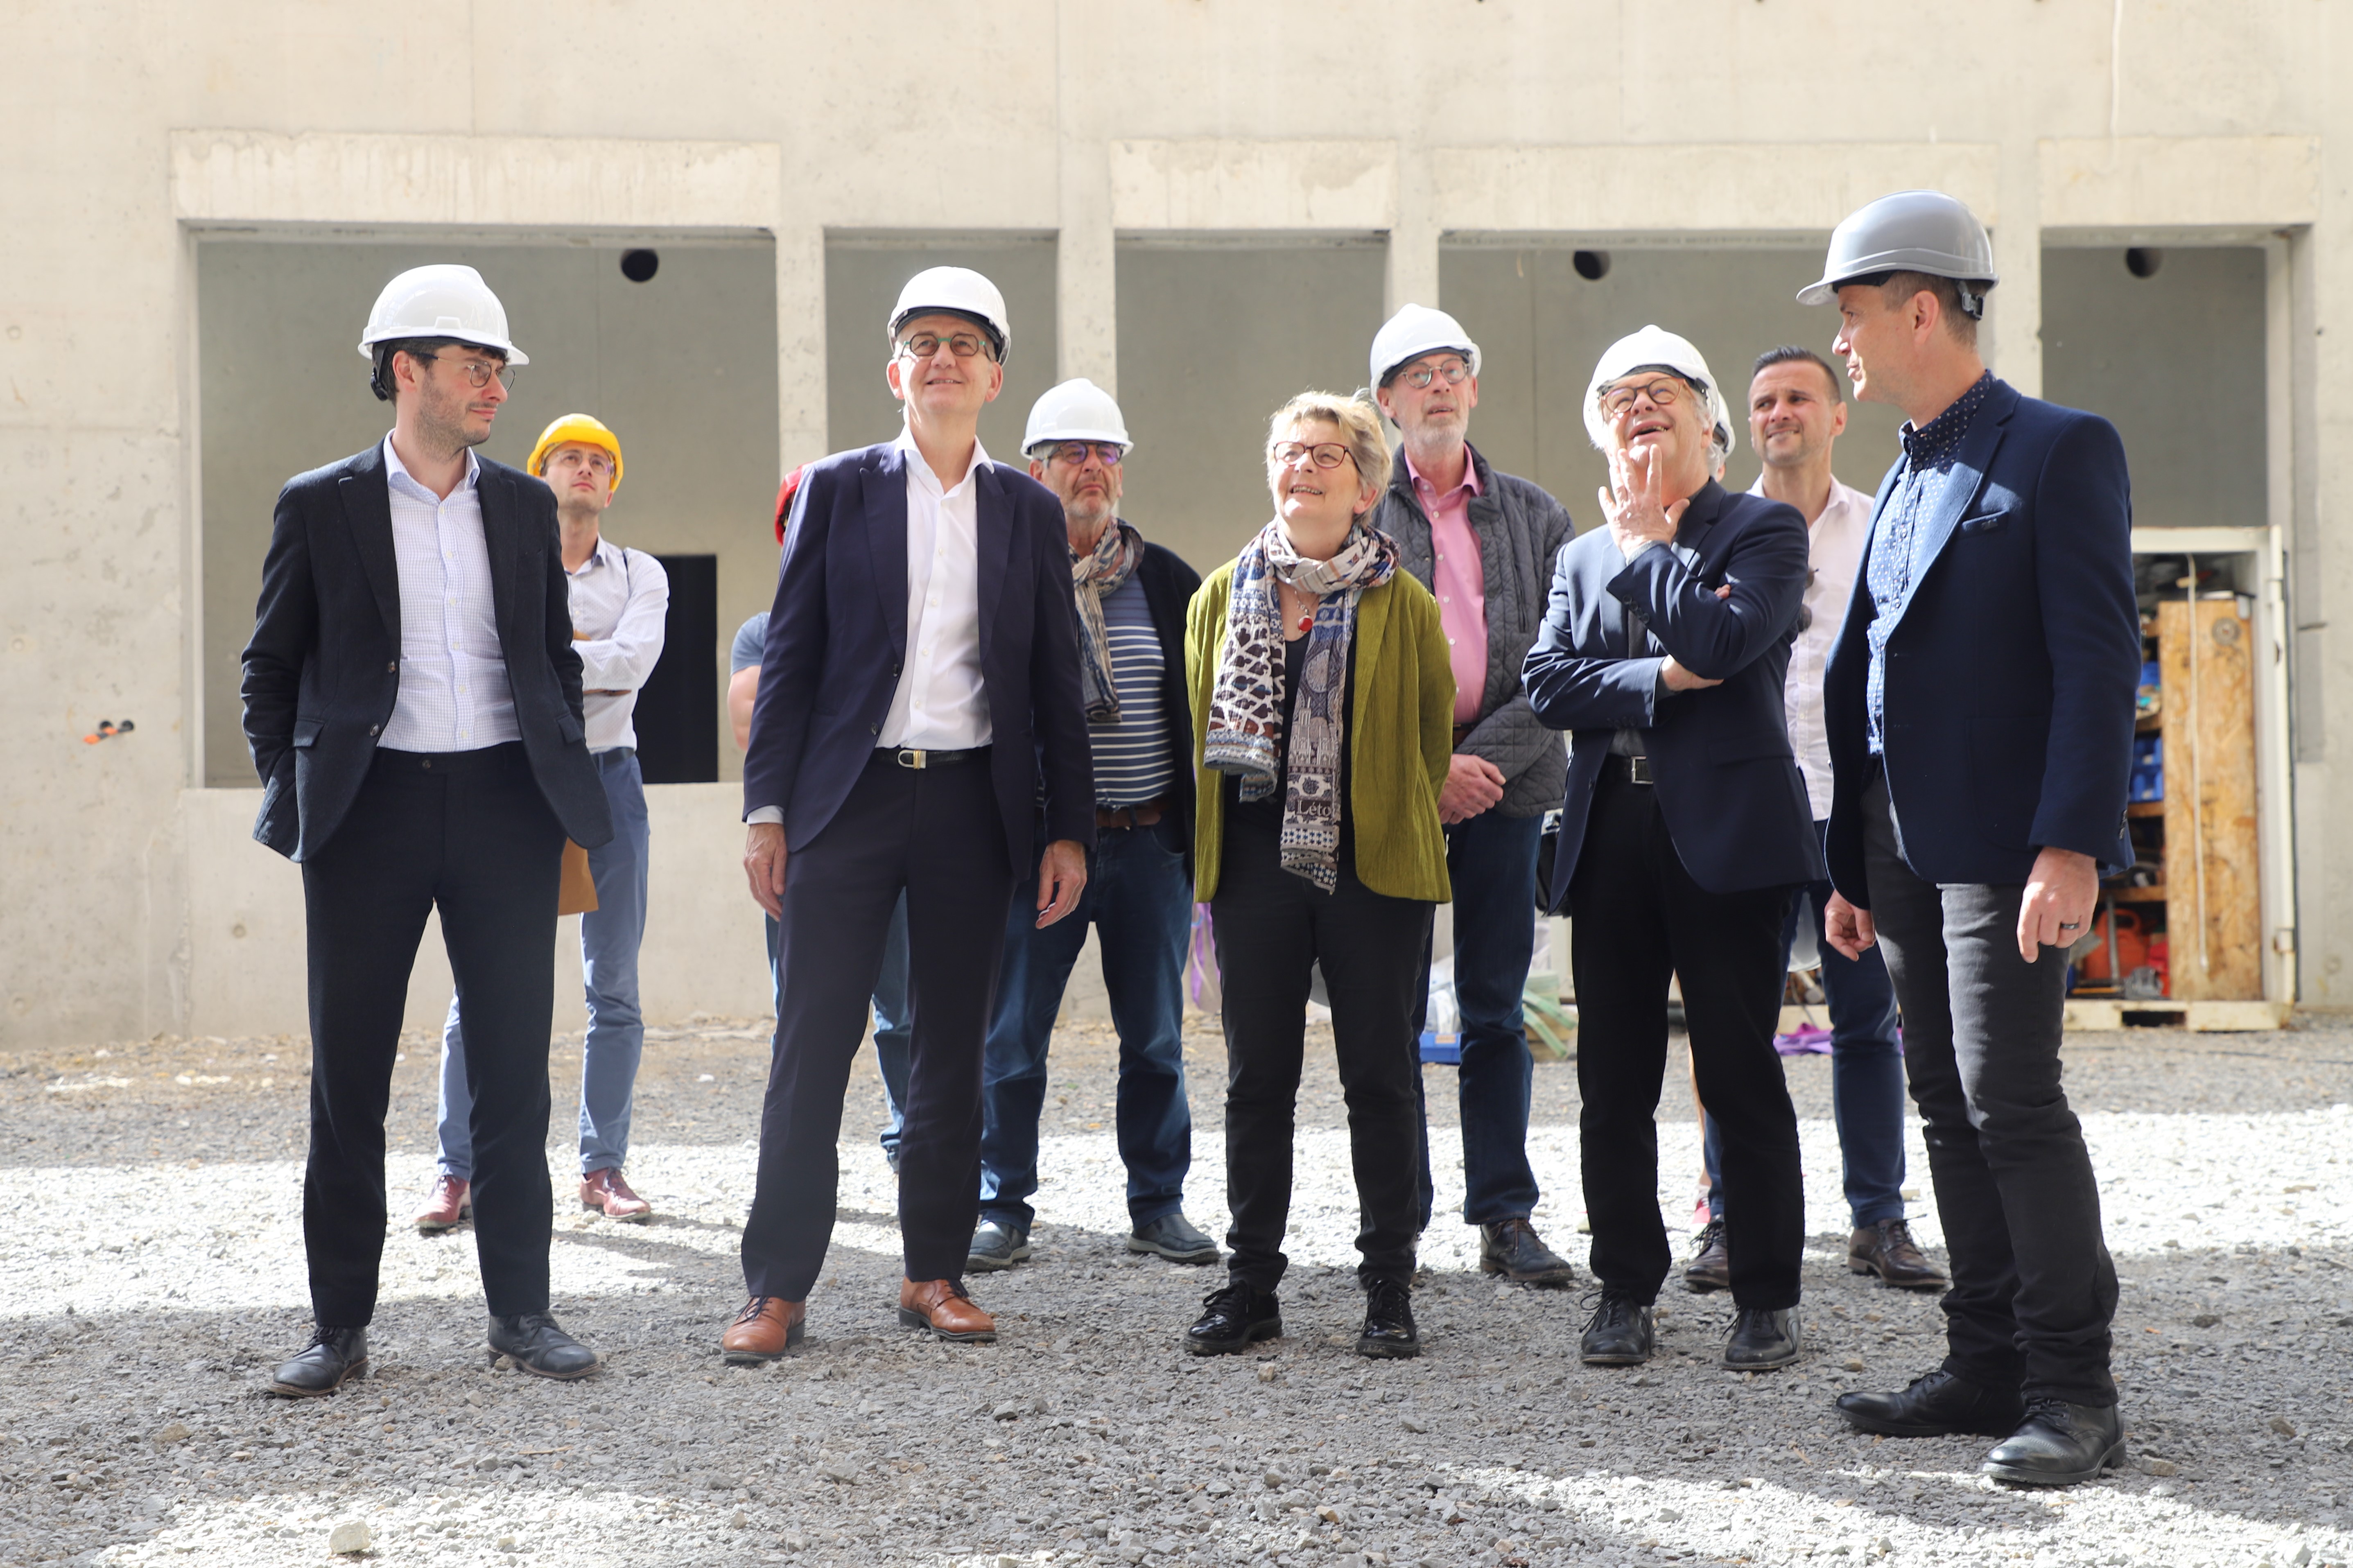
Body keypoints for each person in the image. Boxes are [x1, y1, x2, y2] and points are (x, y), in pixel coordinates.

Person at [1805, 191, 2139, 1487]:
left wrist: (2071, 845)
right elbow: (1876, 663)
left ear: (1920, 307)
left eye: (1850, 314)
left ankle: (2075, 1389)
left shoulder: (2059, 449)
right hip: (1898, 837)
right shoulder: (1903, 461)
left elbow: (2097, 664)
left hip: (2006, 841)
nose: (1841, 340)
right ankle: (1985, 1358)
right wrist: (1850, 865)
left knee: (2013, 1100)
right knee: (1943, 1104)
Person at [242, 264, 613, 1394]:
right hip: (370, 812)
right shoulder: (321, 501)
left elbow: (551, 651)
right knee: (347, 1074)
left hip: (506, 803)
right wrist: (300, 788)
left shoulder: (519, 504)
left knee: (515, 1074)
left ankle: (521, 1313)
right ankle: (339, 1327)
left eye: (500, 369)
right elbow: (271, 665)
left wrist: (555, 774)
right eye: (474, 367)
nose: (495, 388)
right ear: (406, 370)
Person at [724, 267, 1094, 1362]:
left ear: (992, 375)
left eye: (965, 344)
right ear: (896, 371)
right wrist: (767, 809)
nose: (942, 358)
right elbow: (788, 662)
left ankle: (933, 1270)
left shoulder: (1026, 508)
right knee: (813, 1042)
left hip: (974, 806)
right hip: (848, 800)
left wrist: (1064, 827)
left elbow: (1049, 685)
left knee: (948, 1049)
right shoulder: (837, 489)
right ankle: (774, 1287)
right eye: (923, 342)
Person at [1521, 325, 1820, 1374]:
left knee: (1739, 1069)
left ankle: (1768, 1292)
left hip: (1731, 839)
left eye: (1662, 395)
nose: (1639, 409)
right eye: (1620, 399)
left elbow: (1730, 644)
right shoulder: (1577, 555)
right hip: (1612, 834)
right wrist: (1660, 682)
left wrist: (1654, 554)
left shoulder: (1764, 531)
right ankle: (1625, 1289)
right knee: (1612, 1079)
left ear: (1712, 427)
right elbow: (1548, 683)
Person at [1182, 391, 1453, 1362]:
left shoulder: (1406, 602)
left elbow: (1428, 747)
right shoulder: (1220, 595)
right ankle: (1251, 1281)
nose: (1305, 468)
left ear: (1367, 483)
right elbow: (1195, 746)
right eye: (1291, 452)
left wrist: (1362, 817)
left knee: (1379, 1078)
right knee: (1259, 1080)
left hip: (1371, 867)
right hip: (1254, 867)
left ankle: (1388, 1281)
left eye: (1327, 455)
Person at [1681, 349, 1941, 1297]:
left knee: (1869, 1023)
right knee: (1733, 1029)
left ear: (1837, 416)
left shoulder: (1879, 529)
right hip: (1745, 808)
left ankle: (1879, 1217)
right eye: (1762, 403)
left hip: (1850, 808)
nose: (1779, 412)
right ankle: (1727, 1217)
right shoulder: (1716, 531)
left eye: (1798, 397)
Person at [967, 380, 1216, 1273]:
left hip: (1149, 844)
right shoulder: (1002, 572)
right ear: (1034, 471)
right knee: (1013, 1036)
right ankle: (1001, 1206)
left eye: (1106, 453)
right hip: (1039, 855)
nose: (1092, 469)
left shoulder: (1169, 579)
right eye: (1073, 453)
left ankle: (1158, 1202)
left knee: (1154, 1036)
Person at [415, 413, 669, 1234]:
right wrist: (574, 657)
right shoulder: (503, 563)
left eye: (602, 460)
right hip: (515, 782)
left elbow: (630, 666)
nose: (586, 470)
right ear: (539, 472)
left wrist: (549, 657)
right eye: (570, 458)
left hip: (607, 781)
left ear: (614, 481)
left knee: (616, 988)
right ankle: (459, 1172)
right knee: (481, 988)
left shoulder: (640, 573)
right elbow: (486, 664)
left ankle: (603, 1167)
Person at [1367, 305, 1577, 1286]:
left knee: (1496, 1007)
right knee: (1391, 1008)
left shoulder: (1536, 515)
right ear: (1386, 402)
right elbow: (1347, 667)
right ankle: (1396, 1218)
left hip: (1511, 784)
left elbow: (1563, 660)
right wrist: (1424, 771)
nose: (1438, 386)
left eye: (1453, 368)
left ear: (1474, 389)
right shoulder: (1359, 512)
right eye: (1418, 374)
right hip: (1394, 793)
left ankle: (1504, 1215)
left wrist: (1475, 763)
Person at [728, 467, 911, 1175]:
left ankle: (909, 1146)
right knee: (805, 1017)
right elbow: (752, 723)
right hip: (804, 845)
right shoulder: (763, 630)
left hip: (890, 834)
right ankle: (798, 1165)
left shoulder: (894, 620)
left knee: (905, 1010)